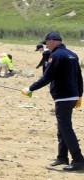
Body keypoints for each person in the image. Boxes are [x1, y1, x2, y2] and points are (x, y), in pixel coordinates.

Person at [22, 32, 84, 171]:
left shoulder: (55, 56)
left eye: (46, 43)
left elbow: (46, 77)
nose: (46, 46)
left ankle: (78, 159)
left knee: (66, 128)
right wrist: (79, 94)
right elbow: (79, 76)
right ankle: (62, 157)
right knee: (62, 127)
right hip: (71, 95)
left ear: (51, 41)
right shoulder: (72, 54)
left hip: (63, 96)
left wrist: (30, 88)